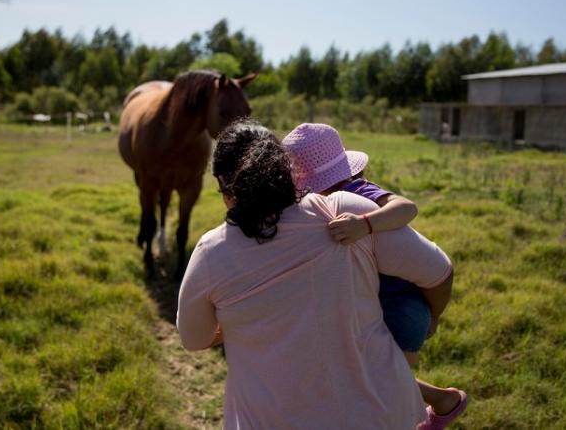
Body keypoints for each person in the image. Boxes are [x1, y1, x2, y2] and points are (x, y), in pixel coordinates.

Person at [177, 120, 454, 429]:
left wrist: (243, 318)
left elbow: (194, 339)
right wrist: (433, 318)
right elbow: (439, 271)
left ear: (227, 188)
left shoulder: (211, 252)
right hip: (384, 415)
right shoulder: (347, 211)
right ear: (284, 169)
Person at [283, 123, 467, 428]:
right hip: (374, 304)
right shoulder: (317, 209)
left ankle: (440, 405)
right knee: (373, 377)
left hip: (401, 307)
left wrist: (365, 223)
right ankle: (441, 400)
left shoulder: (359, 192)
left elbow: (406, 207)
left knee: (384, 387)